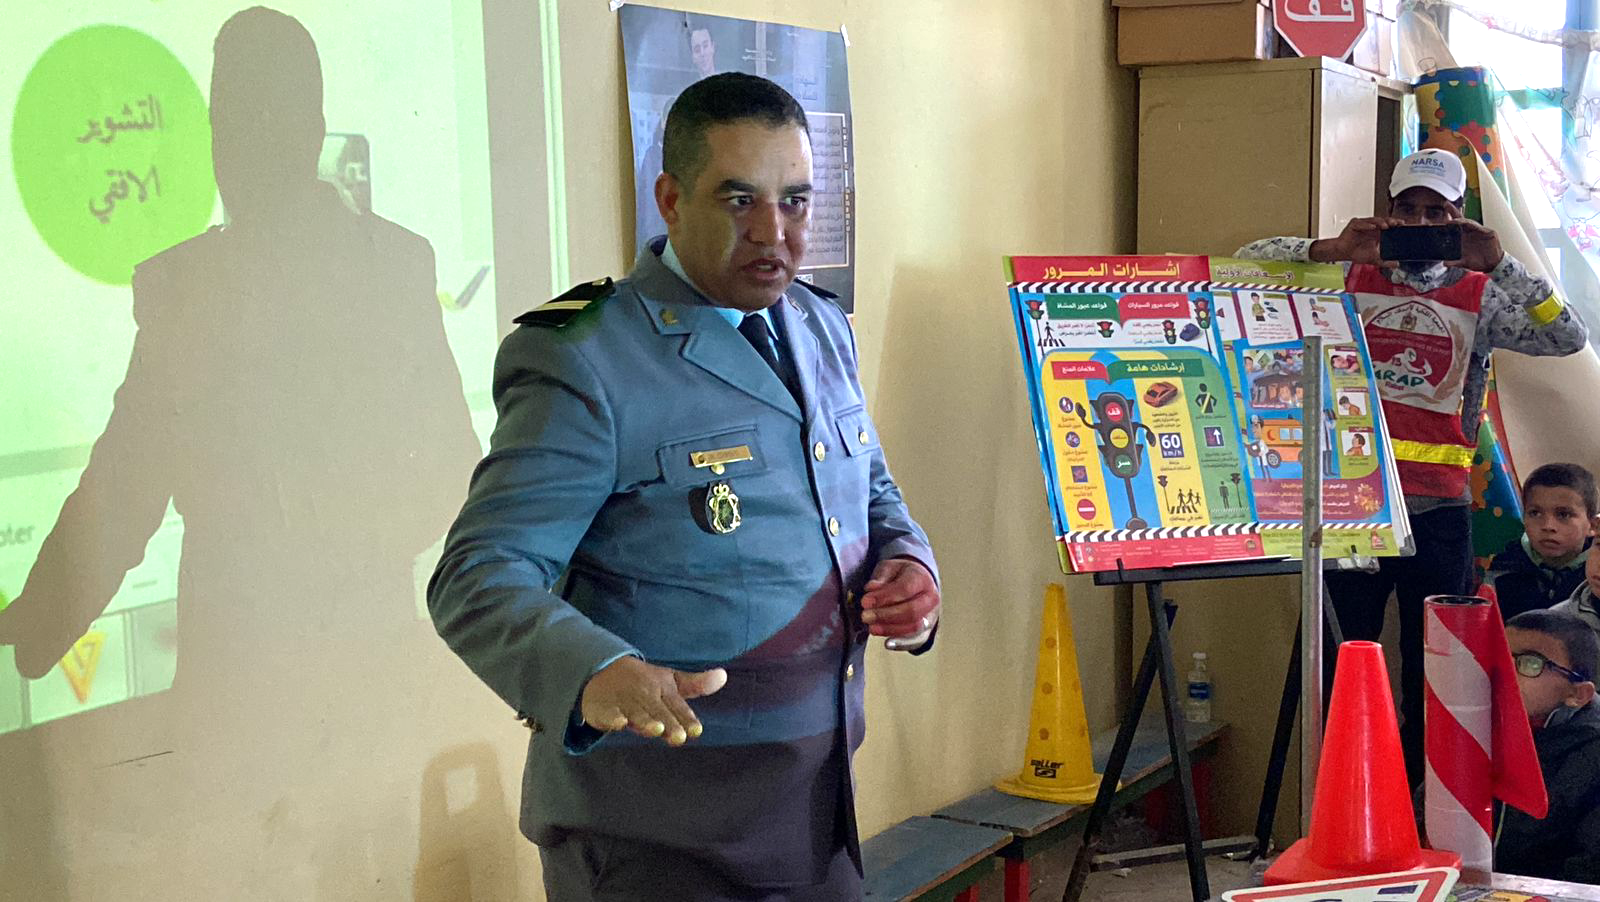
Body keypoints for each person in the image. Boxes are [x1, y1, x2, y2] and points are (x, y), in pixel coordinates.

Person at [427, 73, 940, 901]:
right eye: (739, 200)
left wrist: (910, 564)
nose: (773, 232)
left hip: (818, 816)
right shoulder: (586, 356)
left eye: (795, 201)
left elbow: (868, 488)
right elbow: (475, 575)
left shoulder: (819, 325)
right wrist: (596, 671)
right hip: (656, 839)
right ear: (670, 199)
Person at [1237, 148, 1590, 787]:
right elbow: (1243, 266)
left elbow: (1567, 335)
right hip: (1353, 510)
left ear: (1459, 218)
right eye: (1409, 210)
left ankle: (1424, 808)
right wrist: (1329, 248)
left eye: (1438, 213)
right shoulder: (1346, 276)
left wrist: (1502, 264)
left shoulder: (1480, 294)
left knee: (1435, 675)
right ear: (1389, 212)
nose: (1421, 223)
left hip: (1439, 514)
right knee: (1344, 665)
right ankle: (1345, 797)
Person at [1495, 610, 1600, 883]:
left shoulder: (1592, 754)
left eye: (1531, 663)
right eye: (1500, 656)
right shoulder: (1475, 726)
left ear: (1578, 694)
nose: (1506, 672)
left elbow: (1588, 872)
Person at [1485, 463, 1597, 622]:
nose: (1548, 526)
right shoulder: (1500, 566)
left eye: (1563, 515)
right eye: (1535, 513)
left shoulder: (1595, 574)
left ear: (1592, 525)